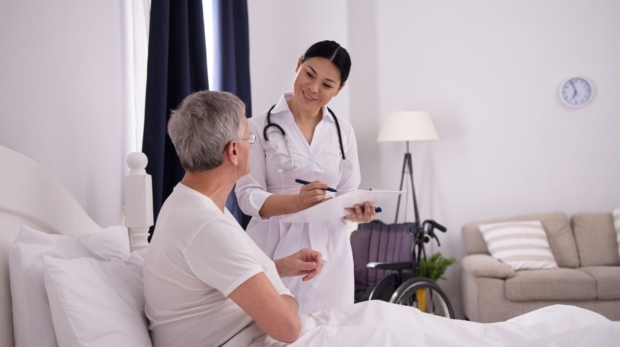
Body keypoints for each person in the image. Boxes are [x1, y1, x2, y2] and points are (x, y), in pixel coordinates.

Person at [143, 91, 324, 346]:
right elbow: (289, 327)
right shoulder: (205, 226)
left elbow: (214, 272)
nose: (252, 145)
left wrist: (279, 267)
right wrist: (284, 294)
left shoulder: (188, 204)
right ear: (233, 151)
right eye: (249, 138)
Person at [235, 40, 375, 314]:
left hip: (331, 255)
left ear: (340, 89)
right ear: (298, 64)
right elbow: (247, 195)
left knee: (332, 333)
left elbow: (347, 193)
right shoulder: (255, 127)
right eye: (309, 74)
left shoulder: (344, 132)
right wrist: (296, 202)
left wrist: (356, 212)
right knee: (275, 333)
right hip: (274, 252)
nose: (313, 88)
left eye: (327, 84)